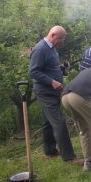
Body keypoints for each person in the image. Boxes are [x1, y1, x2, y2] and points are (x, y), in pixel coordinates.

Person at [29, 25, 76, 162]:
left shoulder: (52, 48)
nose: (63, 41)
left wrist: (62, 69)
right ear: (53, 35)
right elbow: (33, 71)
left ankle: (49, 151)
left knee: (47, 122)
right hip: (46, 92)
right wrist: (51, 82)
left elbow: (49, 68)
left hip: (52, 91)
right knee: (59, 122)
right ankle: (69, 157)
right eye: (61, 38)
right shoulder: (40, 49)